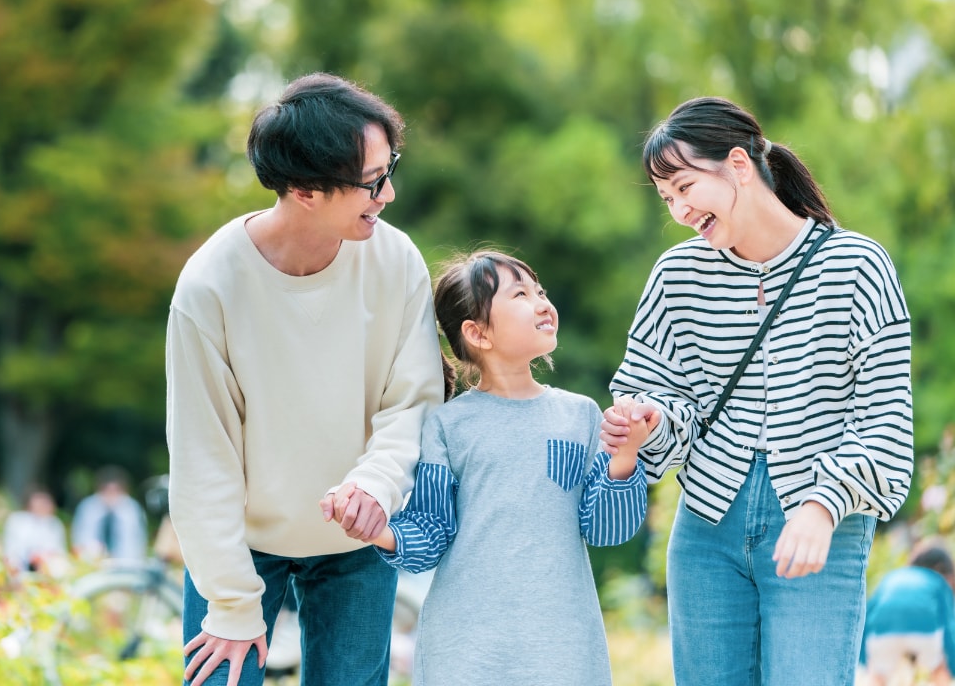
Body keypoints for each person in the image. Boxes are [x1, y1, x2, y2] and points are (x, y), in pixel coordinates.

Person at [601, 96, 914, 685]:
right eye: (667, 198)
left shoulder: (857, 266)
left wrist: (822, 508)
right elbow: (653, 398)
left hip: (819, 525)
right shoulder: (676, 276)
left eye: (686, 186)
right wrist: (645, 422)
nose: (680, 209)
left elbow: (886, 424)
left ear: (739, 165)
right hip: (706, 529)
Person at [165, 72, 446, 686]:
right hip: (238, 546)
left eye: (389, 167)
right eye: (373, 181)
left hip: (356, 546)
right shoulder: (211, 284)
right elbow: (201, 456)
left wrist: (375, 485)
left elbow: (412, 401)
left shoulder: (395, 261)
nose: (389, 193)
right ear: (305, 190)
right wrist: (233, 603)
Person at [344, 249, 650, 685]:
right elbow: (430, 532)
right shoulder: (448, 424)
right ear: (478, 333)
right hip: (465, 650)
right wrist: (379, 531)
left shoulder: (581, 416)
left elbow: (605, 530)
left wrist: (625, 455)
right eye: (521, 294)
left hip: (563, 647)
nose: (543, 302)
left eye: (540, 290)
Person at [861, 542, 955, 686]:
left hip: (882, 634)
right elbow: (948, 626)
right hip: (925, 633)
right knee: (939, 669)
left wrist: (864, 660)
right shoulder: (938, 581)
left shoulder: (892, 577)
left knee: (877, 676)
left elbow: (868, 613)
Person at [70, 466, 148, 562]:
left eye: (115, 490)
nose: (111, 495)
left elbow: (139, 539)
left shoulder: (133, 509)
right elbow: (79, 535)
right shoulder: (87, 507)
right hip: (93, 562)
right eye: (107, 490)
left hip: (126, 562)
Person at [2, 486, 68, 574]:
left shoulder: (55, 524)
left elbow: (59, 552)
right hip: (20, 567)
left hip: (47, 570)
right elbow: (11, 549)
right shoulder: (17, 520)